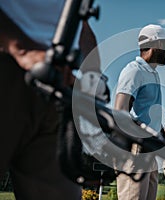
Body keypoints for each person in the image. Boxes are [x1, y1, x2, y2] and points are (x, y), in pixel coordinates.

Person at [0, 1, 103, 199]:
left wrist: (93, 77)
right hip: (9, 64)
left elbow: (82, 24)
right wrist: (21, 48)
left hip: (57, 83)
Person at [114, 24, 165, 200]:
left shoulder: (153, 74)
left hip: (149, 150)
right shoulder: (134, 70)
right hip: (135, 149)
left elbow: (150, 119)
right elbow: (120, 111)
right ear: (156, 45)